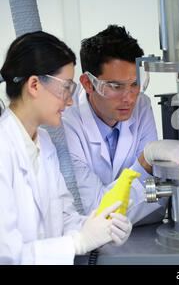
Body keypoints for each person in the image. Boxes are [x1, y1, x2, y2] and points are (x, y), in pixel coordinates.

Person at [0, 31, 132, 265]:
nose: (70, 101)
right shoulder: (3, 148)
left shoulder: (44, 143)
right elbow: (8, 255)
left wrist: (101, 226)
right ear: (34, 85)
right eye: (66, 88)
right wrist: (77, 243)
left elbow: (64, 218)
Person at [62, 25, 179, 225]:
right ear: (88, 83)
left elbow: (156, 204)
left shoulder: (141, 105)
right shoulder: (65, 123)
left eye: (135, 84)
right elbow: (93, 213)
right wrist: (145, 161)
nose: (129, 98)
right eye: (116, 86)